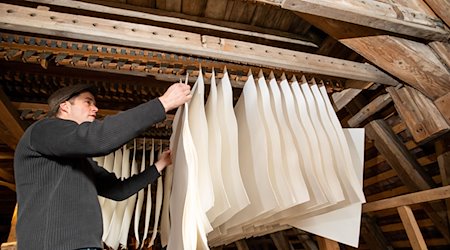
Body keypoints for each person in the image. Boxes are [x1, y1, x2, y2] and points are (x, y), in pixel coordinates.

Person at [13, 82, 191, 250]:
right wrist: (163, 103)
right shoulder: (43, 130)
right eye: (88, 102)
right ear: (65, 106)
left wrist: (160, 164)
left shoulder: (78, 161)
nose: (95, 108)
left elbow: (119, 190)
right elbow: (97, 139)